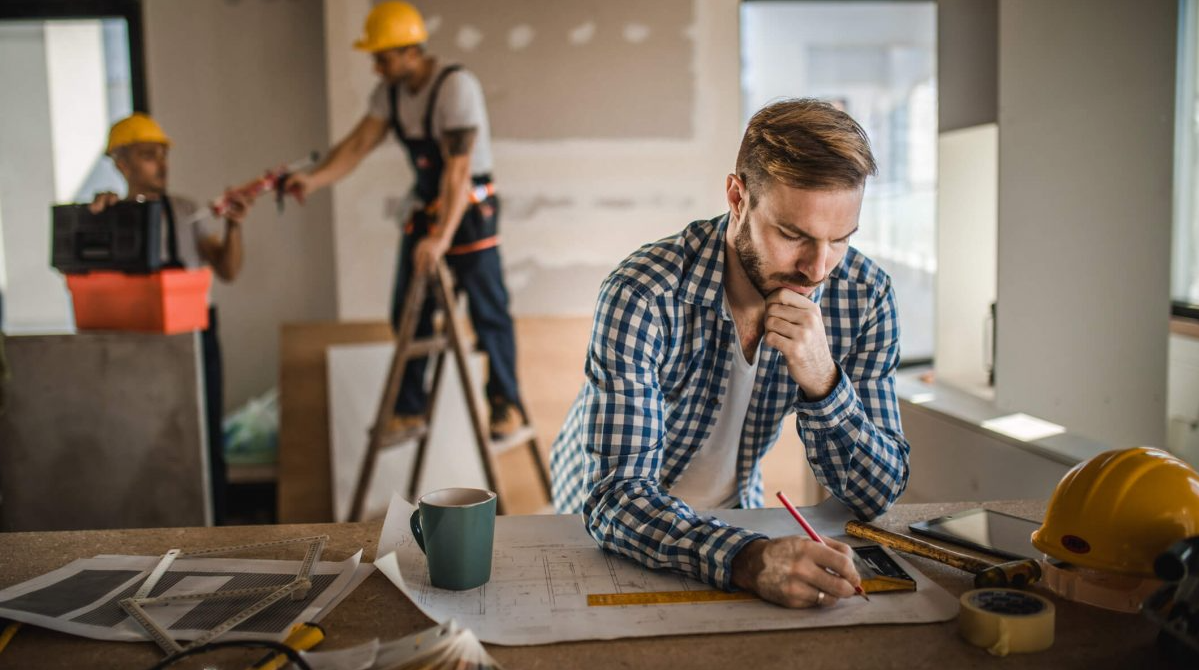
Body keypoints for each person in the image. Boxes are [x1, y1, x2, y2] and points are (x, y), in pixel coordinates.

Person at [550, 99, 911, 609]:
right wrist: (750, 559)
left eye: (840, 240)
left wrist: (824, 382)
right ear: (737, 197)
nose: (817, 268)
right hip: (604, 520)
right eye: (792, 235)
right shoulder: (644, 292)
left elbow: (878, 493)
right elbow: (616, 499)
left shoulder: (865, 295)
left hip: (731, 516)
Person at [284, 1, 525, 440]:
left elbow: (457, 172)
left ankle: (505, 404)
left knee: (488, 310)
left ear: (410, 50)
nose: (376, 66)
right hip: (429, 204)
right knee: (408, 309)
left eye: (383, 56)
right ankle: (410, 409)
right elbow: (357, 145)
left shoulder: (455, 87)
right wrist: (313, 180)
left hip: (470, 206)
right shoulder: (390, 94)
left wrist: (439, 238)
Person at [92, 112, 254, 525]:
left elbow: (229, 271)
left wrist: (234, 227)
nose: (162, 165)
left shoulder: (187, 211)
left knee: (203, 438)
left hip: (197, 335)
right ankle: (150, 528)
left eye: (164, 155)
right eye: (149, 156)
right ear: (122, 163)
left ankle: (213, 528)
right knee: (146, 439)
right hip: (140, 340)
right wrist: (100, 219)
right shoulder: (110, 215)